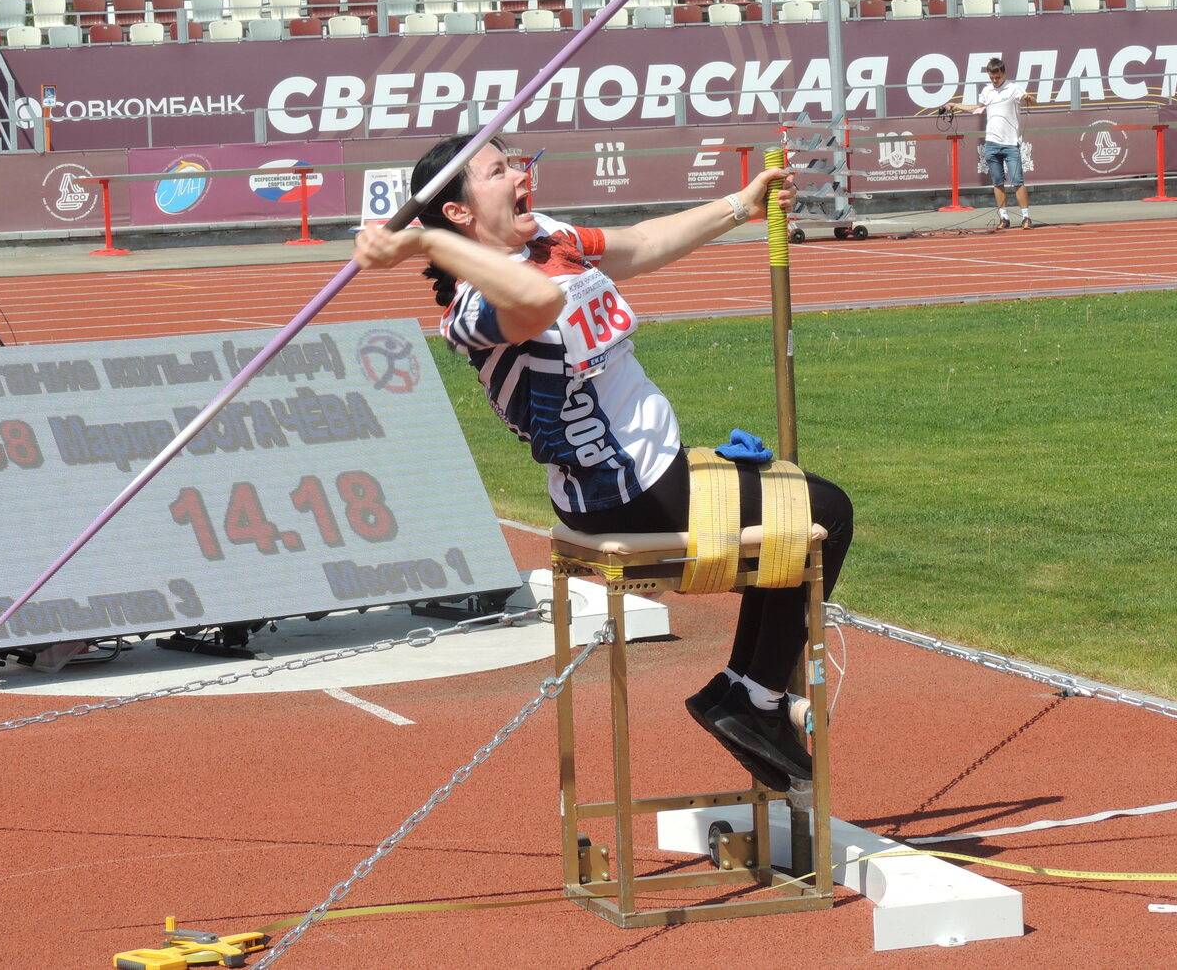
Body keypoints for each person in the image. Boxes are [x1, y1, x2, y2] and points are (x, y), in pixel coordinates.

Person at [354, 134, 854, 789]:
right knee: (826, 514)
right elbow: (537, 302)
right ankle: (753, 699)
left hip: (648, 472)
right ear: (458, 212)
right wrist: (427, 245)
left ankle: (744, 693)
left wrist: (741, 206)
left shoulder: (547, 237)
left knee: (786, 522)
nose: (520, 177)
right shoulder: (471, 312)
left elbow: (638, 244)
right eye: (499, 172)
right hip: (625, 492)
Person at [949, 57, 1037, 230]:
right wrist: (956, 105)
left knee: (1017, 181)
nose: (995, 80)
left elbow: (1033, 102)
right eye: (992, 78)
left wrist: (1029, 98)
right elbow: (977, 108)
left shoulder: (1014, 88)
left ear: (1003, 73)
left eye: (997, 77)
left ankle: (1026, 217)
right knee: (997, 182)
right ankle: (1004, 217)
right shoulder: (987, 90)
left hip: (1011, 143)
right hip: (991, 143)